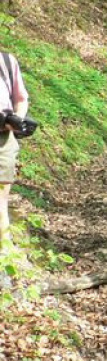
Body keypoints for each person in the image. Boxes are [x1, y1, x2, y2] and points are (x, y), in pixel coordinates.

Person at [0, 50, 29, 242]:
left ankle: (4, 253)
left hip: (3, 138)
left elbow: (21, 98)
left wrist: (17, 118)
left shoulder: (7, 61)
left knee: (1, 199)